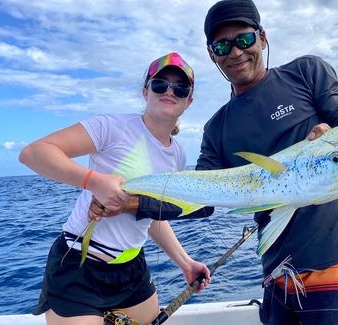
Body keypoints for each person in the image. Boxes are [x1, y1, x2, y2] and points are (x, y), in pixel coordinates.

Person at [196, 0, 338, 324]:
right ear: (212, 54)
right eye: (222, 45)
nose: (235, 52)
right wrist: (132, 202)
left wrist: (333, 135)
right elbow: (200, 202)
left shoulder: (306, 73)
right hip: (276, 271)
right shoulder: (216, 128)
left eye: (244, 40)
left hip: (334, 258)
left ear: (262, 38)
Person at [19, 52, 211, 325]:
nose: (169, 91)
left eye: (180, 88)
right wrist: (93, 181)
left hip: (132, 271)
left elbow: (151, 216)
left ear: (188, 101)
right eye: (160, 85)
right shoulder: (111, 126)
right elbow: (33, 153)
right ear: (146, 91)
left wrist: (185, 262)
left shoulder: (177, 155)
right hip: (79, 267)